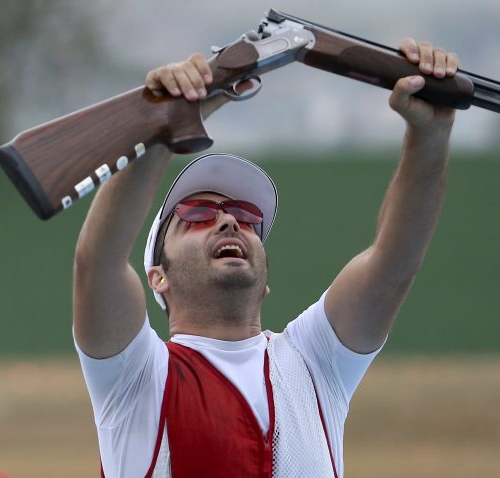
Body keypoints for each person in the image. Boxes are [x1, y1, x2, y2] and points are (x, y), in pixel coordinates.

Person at [73, 37, 458, 477]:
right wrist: (162, 127)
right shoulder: (136, 379)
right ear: (158, 277)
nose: (228, 222)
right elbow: (96, 263)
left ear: (266, 280)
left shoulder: (314, 362)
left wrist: (430, 134)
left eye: (244, 215)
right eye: (196, 215)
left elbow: (394, 262)